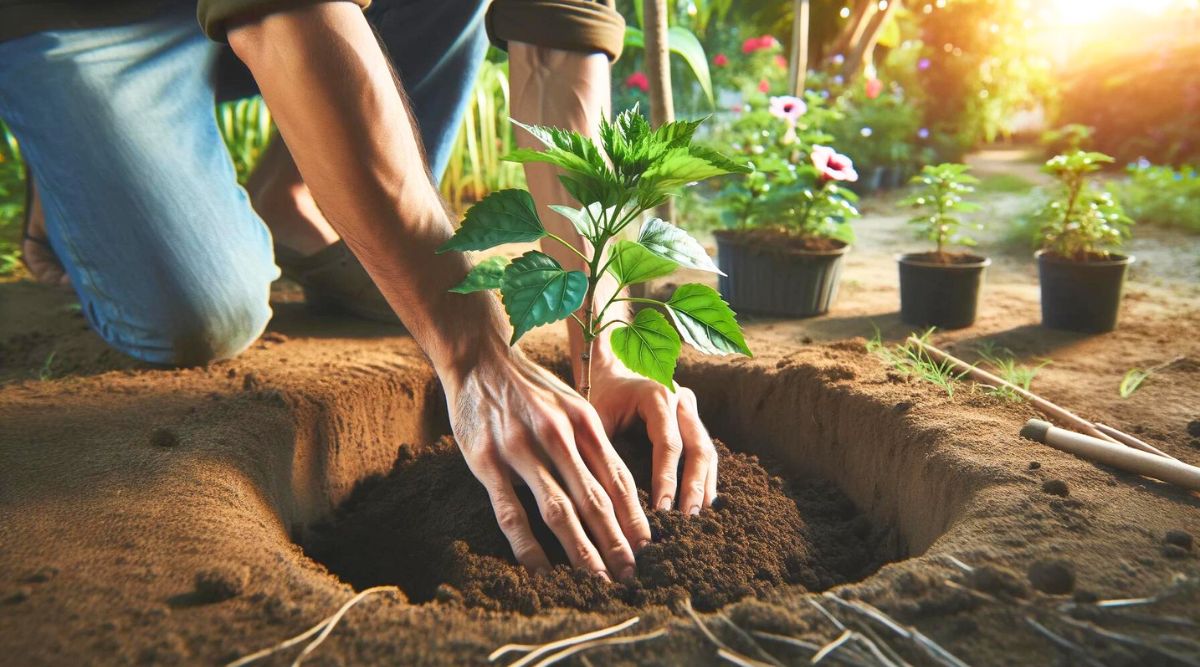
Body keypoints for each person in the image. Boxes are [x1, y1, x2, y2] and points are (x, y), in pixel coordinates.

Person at [0, 0, 717, 582]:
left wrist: (609, 342)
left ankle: (296, 194)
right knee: (202, 314)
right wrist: (475, 355)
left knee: (402, 277)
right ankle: (68, 188)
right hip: (93, 21)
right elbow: (283, 20)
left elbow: (558, 52)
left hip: (322, 13)